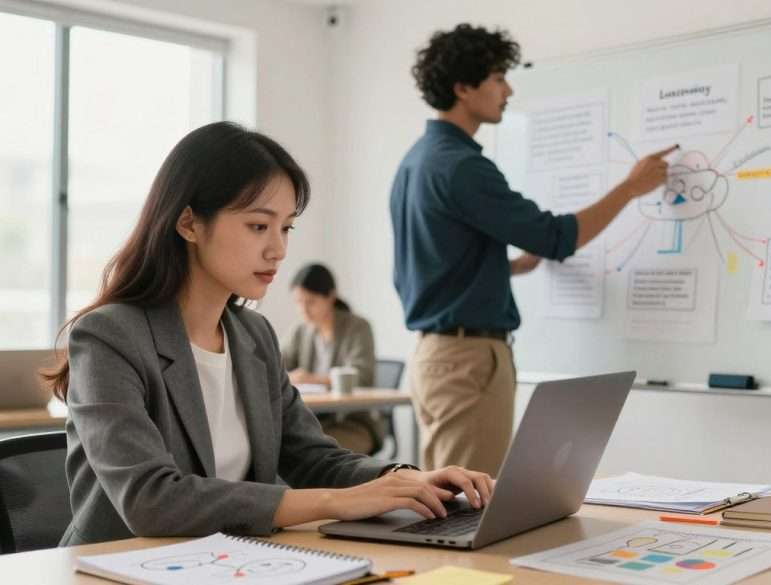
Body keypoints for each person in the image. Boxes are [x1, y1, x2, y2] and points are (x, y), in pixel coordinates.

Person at [45, 121, 492, 546]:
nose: (278, 250)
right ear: (188, 224)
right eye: (258, 226)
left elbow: (313, 458)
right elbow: (150, 501)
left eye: (286, 227)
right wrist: (335, 502)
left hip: (231, 564)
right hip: (119, 568)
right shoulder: (108, 337)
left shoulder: (253, 335)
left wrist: (405, 480)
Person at [391, 24, 675, 475]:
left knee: (445, 500)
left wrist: (508, 268)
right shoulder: (463, 166)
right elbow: (557, 237)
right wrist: (630, 188)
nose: (508, 89)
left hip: (435, 357)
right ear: (463, 87)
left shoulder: (417, 160)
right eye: (498, 77)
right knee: (466, 508)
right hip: (468, 361)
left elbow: (433, 259)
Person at [282, 263, 385, 454]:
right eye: (298, 302)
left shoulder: (357, 327)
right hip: (314, 424)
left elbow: (362, 376)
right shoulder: (301, 330)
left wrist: (312, 379)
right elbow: (274, 365)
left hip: (352, 423)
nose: (303, 309)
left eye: (310, 301)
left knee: (312, 454)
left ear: (330, 296)